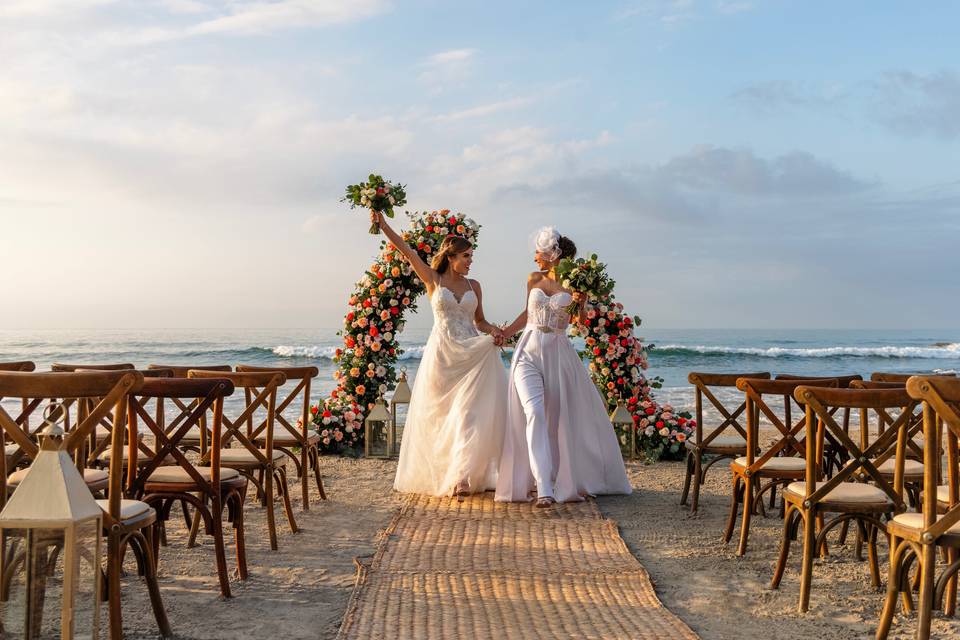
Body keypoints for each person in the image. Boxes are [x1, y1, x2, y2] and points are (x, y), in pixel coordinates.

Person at [370, 210, 508, 498]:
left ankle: (462, 478)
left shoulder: (475, 286)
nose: (471, 261)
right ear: (451, 257)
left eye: (472, 256)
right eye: (466, 256)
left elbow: (480, 321)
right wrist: (383, 225)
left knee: (468, 414)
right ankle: (449, 471)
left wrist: (495, 331)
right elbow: (406, 251)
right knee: (444, 416)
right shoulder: (433, 279)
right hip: (443, 356)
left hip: (471, 354)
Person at [495, 226, 632, 506]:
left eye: (539, 251)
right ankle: (543, 485)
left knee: (555, 420)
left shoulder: (575, 287)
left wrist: (581, 305)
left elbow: (580, 324)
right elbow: (527, 313)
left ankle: (557, 478)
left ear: (553, 254)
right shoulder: (533, 278)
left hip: (558, 353)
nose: (535, 256)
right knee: (533, 412)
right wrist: (505, 333)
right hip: (528, 351)